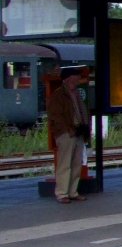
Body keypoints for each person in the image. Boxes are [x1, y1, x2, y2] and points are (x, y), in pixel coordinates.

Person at [47, 65, 90, 204]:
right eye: (75, 79)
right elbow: (56, 116)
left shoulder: (76, 94)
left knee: (77, 163)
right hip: (67, 133)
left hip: (78, 132)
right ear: (67, 80)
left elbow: (82, 112)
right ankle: (62, 193)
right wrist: (67, 130)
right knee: (65, 164)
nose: (77, 82)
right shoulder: (58, 95)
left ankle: (73, 191)